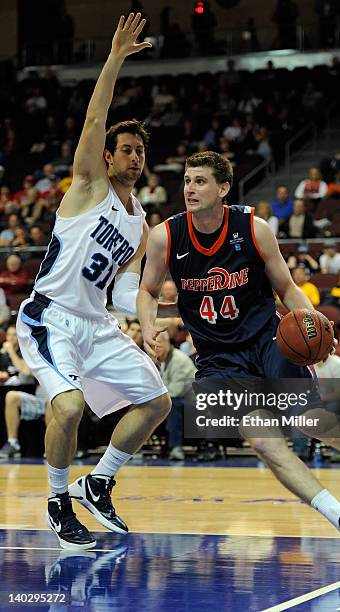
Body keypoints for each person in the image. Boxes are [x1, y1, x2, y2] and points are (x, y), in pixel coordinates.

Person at [137, 150, 340, 561]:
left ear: (223, 188)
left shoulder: (254, 228)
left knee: (311, 421)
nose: (190, 189)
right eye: (186, 180)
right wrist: (146, 324)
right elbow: (146, 292)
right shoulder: (166, 235)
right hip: (218, 358)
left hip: (267, 340)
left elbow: (286, 287)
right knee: (267, 445)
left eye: (200, 181)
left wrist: (312, 319)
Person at [16, 13, 172, 551]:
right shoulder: (87, 185)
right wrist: (114, 59)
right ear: (108, 157)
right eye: (126, 149)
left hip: (97, 322)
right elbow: (94, 117)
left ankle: (99, 481)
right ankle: (59, 500)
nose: (136, 155)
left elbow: (126, 291)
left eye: (141, 151)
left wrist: (153, 321)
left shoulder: (140, 225)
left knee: (156, 400)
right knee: (70, 407)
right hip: (49, 316)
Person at [155, 330, 196, 460]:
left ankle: (176, 447)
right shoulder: (157, 360)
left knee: (172, 406)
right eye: (153, 345)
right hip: (176, 399)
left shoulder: (179, 359)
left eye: (159, 344)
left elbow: (175, 391)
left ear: (167, 343)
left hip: (196, 403)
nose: (156, 347)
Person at [0, 385, 49, 459]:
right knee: (11, 396)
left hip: (58, 399)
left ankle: (52, 448)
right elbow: (26, 379)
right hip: (39, 399)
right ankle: (13, 444)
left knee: (52, 402)